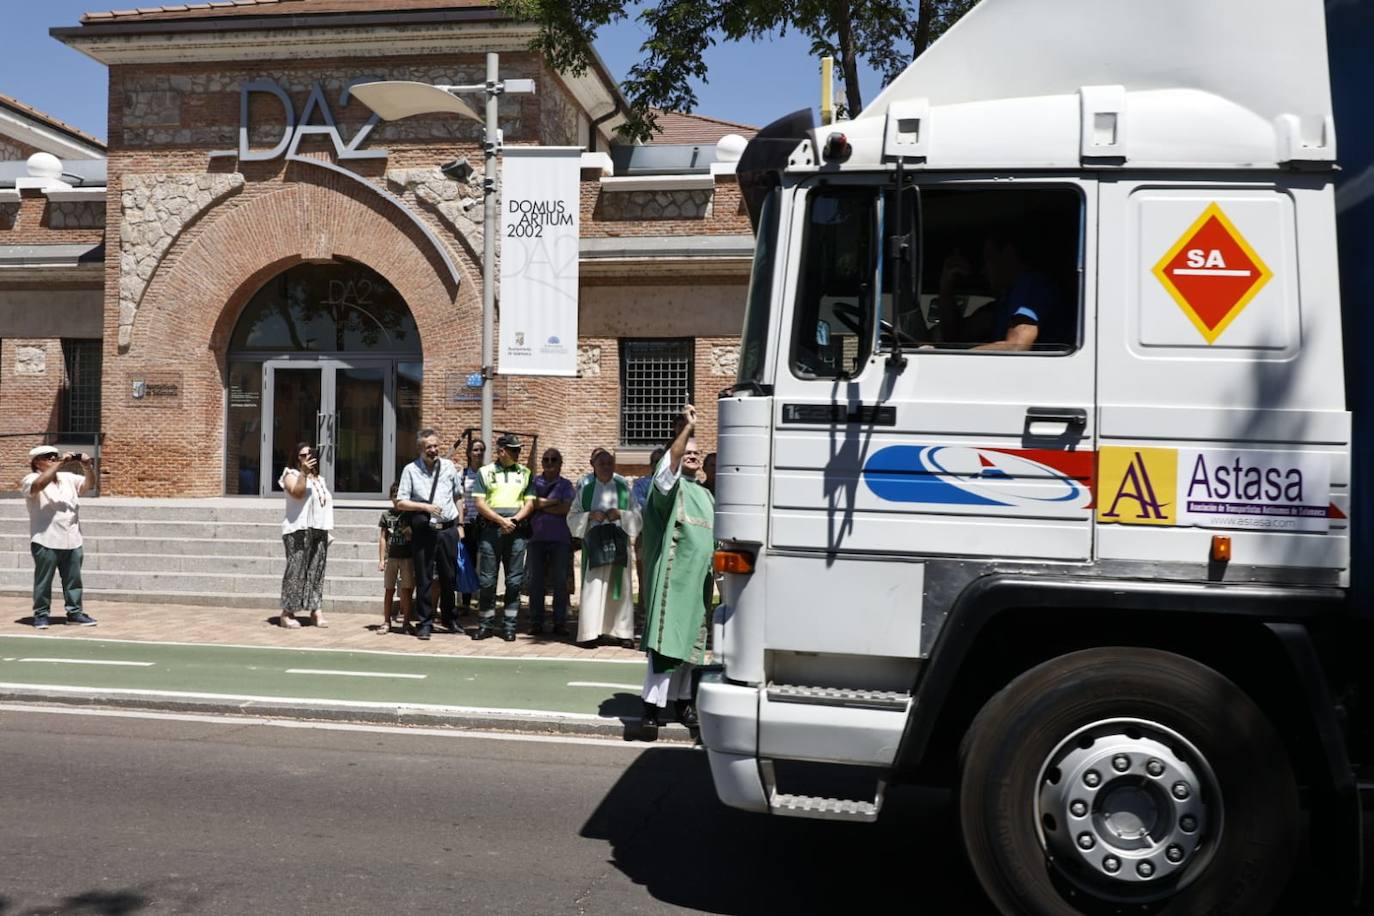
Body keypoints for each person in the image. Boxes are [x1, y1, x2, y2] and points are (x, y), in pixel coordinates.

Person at [638, 405, 715, 738]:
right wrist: (686, 429)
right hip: (671, 580)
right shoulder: (666, 488)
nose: (692, 456)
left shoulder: (706, 494)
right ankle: (651, 709)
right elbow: (668, 469)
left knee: (691, 650)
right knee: (666, 645)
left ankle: (683, 702)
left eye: (697, 453)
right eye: (687, 451)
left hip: (699, 582)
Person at [935, 232, 1064, 351]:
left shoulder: (1031, 285)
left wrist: (950, 359)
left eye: (988, 258)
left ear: (1008, 252)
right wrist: (946, 285)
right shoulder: (1004, 301)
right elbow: (955, 335)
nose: (984, 270)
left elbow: (1017, 345)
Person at [569, 448, 641, 648]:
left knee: (621, 589)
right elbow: (571, 517)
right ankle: (591, 633)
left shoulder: (624, 488)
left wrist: (621, 514)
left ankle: (622, 632)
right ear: (593, 466)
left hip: (618, 543)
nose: (606, 467)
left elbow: (637, 517)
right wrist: (590, 516)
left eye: (610, 463)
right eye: (602, 464)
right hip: (595, 546)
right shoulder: (586, 489)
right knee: (594, 588)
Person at [396, 429, 464, 641]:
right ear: (420, 449)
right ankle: (425, 622)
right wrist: (425, 507)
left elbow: (458, 496)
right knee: (424, 578)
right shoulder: (410, 470)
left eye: (436, 446)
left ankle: (450, 619)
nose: (434, 450)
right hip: (424, 531)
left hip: (448, 529)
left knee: (449, 577)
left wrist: (460, 525)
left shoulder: (449, 467)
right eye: (429, 447)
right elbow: (401, 502)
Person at [22, 445, 97, 629]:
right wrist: (62, 462)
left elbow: (89, 485)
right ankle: (41, 614)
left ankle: (74, 613)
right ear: (37, 462)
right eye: (49, 457)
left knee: (73, 581)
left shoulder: (67, 478)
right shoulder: (30, 479)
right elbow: (38, 486)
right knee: (44, 581)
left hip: (72, 537)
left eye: (55, 457)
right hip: (46, 539)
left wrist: (87, 467)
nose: (53, 460)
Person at [472, 432, 536, 641]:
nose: (518, 453)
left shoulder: (526, 473)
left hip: (516, 532)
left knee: (514, 581)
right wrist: (501, 521)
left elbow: (530, 503)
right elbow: (480, 504)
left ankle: (509, 626)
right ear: (501, 451)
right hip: (491, 531)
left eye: (519, 450)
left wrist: (515, 520)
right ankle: (485, 624)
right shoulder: (485, 472)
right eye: (514, 450)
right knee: (488, 581)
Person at [278, 443, 334, 628]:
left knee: (316, 572)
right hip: (298, 530)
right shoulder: (290, 475)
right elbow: (297, 492)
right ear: (296, 458)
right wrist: (302, 472)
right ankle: (287, 612)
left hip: (319, 529)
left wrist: (327, 530)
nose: (307, 458)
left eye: (310, 455)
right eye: (302, 455)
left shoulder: (320, 479)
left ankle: (315, 610)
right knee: (296, 572)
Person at [525, 448, 574, 637]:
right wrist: (553, 502)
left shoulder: (566, 484)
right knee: (536, 583)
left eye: (554, 459)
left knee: (560, 583)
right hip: (536, 538)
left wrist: (542, 504)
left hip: (560, 539)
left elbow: (566, 508)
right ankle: (536, 622)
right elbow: (530, 505)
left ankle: (559, 623)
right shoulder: (534, 482)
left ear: (560, 463)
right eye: (546, 459)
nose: (549, 462)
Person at [631, 446, 665, 614]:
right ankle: (643, 608)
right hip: (644, 535)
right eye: (655, 462)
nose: (657, 465)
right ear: (650, 464)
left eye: (661, 461)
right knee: (643, 573)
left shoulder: (672, 485)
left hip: (666, 536)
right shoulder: (641, 483)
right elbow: (639, 505)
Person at [377, 481, 414, 634]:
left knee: (406, 590)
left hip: (407, 557)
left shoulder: (410, 515)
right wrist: (381, 559)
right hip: (391, 557)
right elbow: (383, 538)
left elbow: (413, 538)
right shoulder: (387, 515)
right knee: (389, 590)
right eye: (394, 497)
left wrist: (408, 532)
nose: (397, 500)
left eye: (400, 497)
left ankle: (406, 622)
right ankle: (386, 621)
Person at [457, 437, 485, 612]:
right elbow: (458, 496)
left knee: (486, 563)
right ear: (469, 453)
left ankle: (484, 601)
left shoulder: (487, 474)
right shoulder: (462, 474)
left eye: (481, 450)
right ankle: (466, 603)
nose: (478, 453)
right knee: (468, 563)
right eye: (475, 450)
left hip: (483, 523)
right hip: (467, 524)